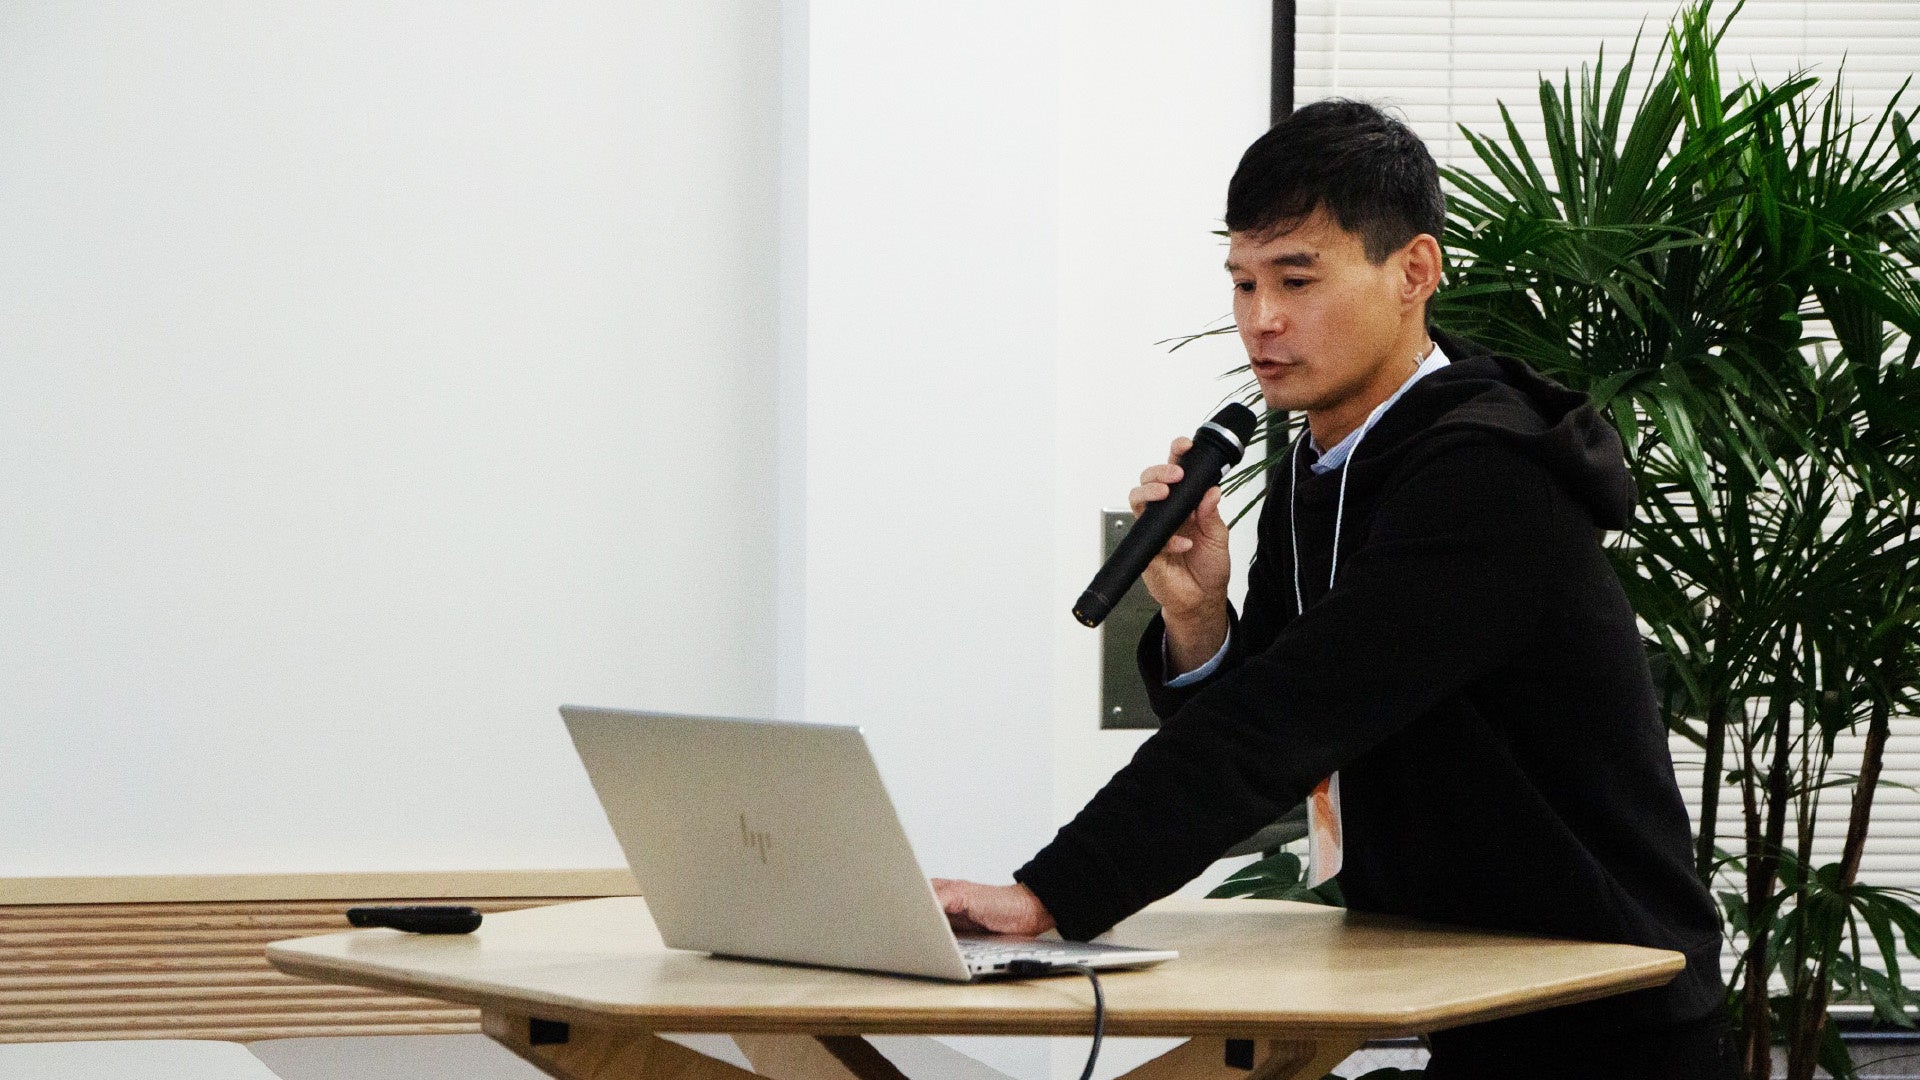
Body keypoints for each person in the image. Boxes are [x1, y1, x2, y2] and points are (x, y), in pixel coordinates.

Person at [932, 100, 1738, 1079]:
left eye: (1297, 280)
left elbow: (1281, 721)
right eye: (1243, 282)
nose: (1260, 319)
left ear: (1415, 273)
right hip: (1469, 987)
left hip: (1610, 1019)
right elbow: (1272, 724)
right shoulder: (1322, 466)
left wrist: (1048, 896)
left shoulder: (1489, 480)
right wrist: (1197, 620)